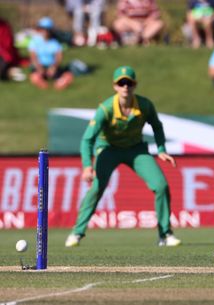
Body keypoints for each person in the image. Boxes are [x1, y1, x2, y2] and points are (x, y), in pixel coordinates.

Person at [65, 66, 181, 247]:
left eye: (129, 83)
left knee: (161, 185)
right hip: (108, 149)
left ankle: (165, 234)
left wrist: (161, 149)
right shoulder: (105, 109)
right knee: (97, 187)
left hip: (136, 150)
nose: (125, 86)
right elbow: (87, 139)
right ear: (115, 86)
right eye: (121, 83)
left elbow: (157, 126)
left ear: (134, 85)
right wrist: (87, 165)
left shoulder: (144, 105)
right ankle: (77, 233)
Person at [28, 17, 73, 90]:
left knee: (62, 74)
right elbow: (33, 56)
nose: (44, 31)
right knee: (35, 75)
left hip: (51, 66)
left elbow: (58, 56)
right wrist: (39, 67)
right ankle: (40, 81)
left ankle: (60, 82)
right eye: (42, 29)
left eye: (47, 29)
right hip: (38, 66)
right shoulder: (34, 40)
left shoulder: (54, 42)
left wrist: (54, 67)